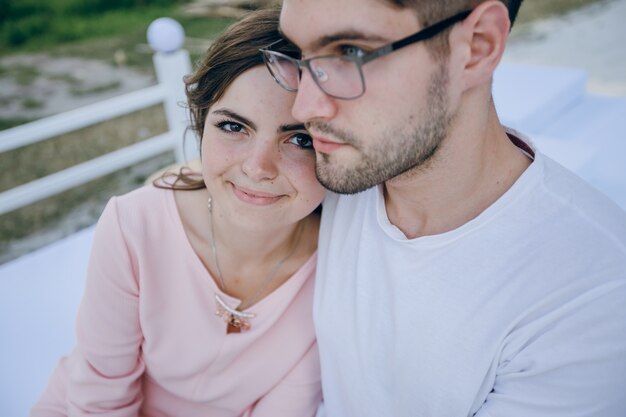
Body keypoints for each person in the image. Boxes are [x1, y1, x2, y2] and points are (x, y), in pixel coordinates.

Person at [260, 0, 626, 416]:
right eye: (297, 56)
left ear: (478, 45)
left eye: (351, 53)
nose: (303, 108)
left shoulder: (592, 297)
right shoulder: (333, 171)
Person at [31, 8, 325, 417]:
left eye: (299, 139)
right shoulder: (134, 227)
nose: (258, 167)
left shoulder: (336, 274)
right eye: (233, 127)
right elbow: (100, 397)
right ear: (201, 126)